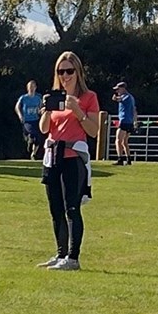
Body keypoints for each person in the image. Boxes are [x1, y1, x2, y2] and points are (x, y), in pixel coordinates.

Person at [37, 51, 99, 271]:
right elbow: (44, 129)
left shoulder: (89, 97)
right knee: (55, 208)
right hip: (53, 156)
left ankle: (73, 257)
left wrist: (78, 111)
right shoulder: (55, 97)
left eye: (69, 71)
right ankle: (61, 253)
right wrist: (46, 110)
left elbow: (93, 131)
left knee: (71, 207)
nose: (65, 76)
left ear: (78, 71)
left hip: (74, 157)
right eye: (61, 71)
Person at [15, 80, 44, 159]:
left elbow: (42, 107)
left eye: (32, 87)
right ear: (27, 88)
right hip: (27, 121)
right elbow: (17, 107)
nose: (31, 88)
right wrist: (20, 116)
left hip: (36, 120)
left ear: (35, 88)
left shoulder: (38, 98)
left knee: (38, 138)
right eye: (29, 87)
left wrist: (41, 112)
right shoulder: (23, 98)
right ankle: (29, 144)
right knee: (32, 135)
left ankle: (34, 153)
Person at [113, 81, 136, 165]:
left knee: (118, 140)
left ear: (123, 88)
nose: (117, 91)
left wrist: (115, 98)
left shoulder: (126, 97)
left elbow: (118, 99)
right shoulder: (131, 97)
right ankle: (128, 159)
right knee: (124, 141)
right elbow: (134, 110)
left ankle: (120, 159)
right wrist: (135, 122)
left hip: (124, 121)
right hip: (130, 121)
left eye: (118, 89)